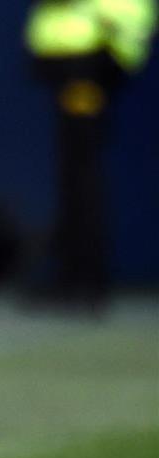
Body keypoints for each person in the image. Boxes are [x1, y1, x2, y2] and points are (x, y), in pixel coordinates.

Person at [24, 0, 156, 312]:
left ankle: (85, 282)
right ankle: (74, 278)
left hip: (90, 56)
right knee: (75, 169)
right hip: (83, 56)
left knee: (82, 172)